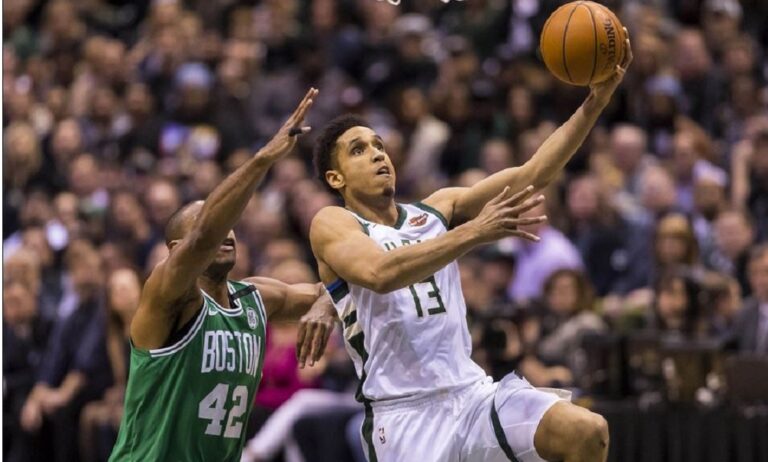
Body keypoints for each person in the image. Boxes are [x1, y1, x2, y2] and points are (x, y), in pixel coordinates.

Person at [308, 35, 633, 462]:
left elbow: (535, 173)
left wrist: (596, 100)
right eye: (358, 150)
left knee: (586, 431)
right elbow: (379, 273)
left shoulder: (438, 208)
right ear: (336, 179)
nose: (377, 154)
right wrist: (474, 233)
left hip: (473, 395)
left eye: (379, 145)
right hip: (403, 415)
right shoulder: (333, 222)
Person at [108, 88, 336, 462]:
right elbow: (203, 237)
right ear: (175, 249)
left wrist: (326, 302)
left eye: (231, 226)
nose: (226, 232)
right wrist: (262, 160)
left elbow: (334, 293)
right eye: (215, 225)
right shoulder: (166, 295)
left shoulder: (256, 298)